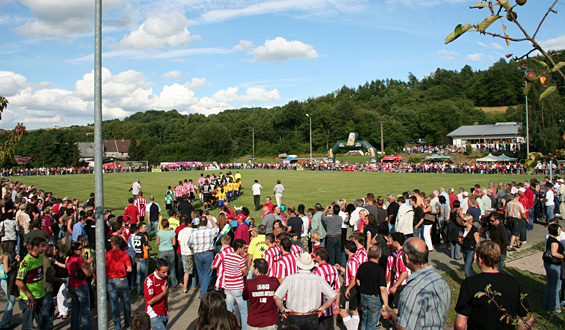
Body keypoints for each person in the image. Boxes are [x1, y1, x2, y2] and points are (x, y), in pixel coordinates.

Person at [455, 240, 535, 330]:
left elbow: (460, 324)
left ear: (480, 259)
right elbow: (529, 319)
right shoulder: (513, 282)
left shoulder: (470, 283)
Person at [381, 238, 450, 330]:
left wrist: (392, 315)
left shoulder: (413, 289)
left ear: (407, 257)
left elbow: (404, 328)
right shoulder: (441, 281)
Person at [274, 253, 337, 330]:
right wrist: (323, 308)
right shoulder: (318, 279)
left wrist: (283, 309)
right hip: (312, 315)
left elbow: (276, 296)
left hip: (294, 315)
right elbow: (333, 296)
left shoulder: (290, 279)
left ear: (298, 265)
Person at [16, 237, 48, 330]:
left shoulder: (41, 258)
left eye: (45, 246)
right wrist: (29, 296)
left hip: (40, 295)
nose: (44, 248)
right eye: (42, 246)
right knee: (28, 324)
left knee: (44, 321)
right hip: (29, 299)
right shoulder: (27, 261)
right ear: (35, 247)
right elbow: (18, 281)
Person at [219, 239, 249, 330]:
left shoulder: (227, 256)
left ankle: (228, 326)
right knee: (243, 311)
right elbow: (246, 273)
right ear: (239, 248)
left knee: (229, 309)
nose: (244, 250)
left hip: (228, 286)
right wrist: (245, 261)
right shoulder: (239, 259)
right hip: (238, 287)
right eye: (243, 248)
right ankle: (244, 328)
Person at [356, 245, 388, 330]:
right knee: (372, 323)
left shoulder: (362, 266)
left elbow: (358, 281)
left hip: (363, 296)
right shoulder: (379, 269)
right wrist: (386, 305)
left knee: (364, 320)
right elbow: (383, 289)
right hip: (374, 298)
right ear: (379, 256)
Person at [243, 258, 280, 330]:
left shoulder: (249, 283)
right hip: (270, 320)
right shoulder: (274, 282)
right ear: (268, 270)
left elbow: (245, 297)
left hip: (254, 321)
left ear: (256, 271)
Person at [188, 214, 219, 297]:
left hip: (197, 253)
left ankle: (203, 291)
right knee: (207, 273)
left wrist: (194, 248)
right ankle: (203, 292)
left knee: (201, 273)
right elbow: (217, 229)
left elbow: (189, 244)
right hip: (208, 253)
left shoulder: (194, 233)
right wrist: (211, 220)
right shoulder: (210, 231)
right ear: (206, 223)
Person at [106, 235, 132, 330]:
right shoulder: (124, 254)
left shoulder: (107, 255)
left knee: (114, 304)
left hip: (111, 281)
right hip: (122, 279)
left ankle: (117, 326)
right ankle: (128, 321)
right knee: (126, 301)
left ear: (112, 243)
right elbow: (129, 268)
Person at [66, 240, 92, 330]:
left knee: (75, 309)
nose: (82, 250)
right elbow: (87, 272)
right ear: (74, 250)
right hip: (80, 285)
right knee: (85, 309)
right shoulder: (79, 259)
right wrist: (88, 264)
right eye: (80, 249)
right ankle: (86, 328)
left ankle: (74, 327)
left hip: (71, 285)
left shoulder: (69, 259)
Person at [312, 247, 340, 330]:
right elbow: (337, 289)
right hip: (331, 306)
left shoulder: (317, 271)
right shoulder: (333, 269)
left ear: (318, 257)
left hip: (321, 307)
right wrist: (337, 304)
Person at [335, 240, 360, 330]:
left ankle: (351, 328)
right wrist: (341, 268)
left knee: (343, 311)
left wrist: (348, 289)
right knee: (353, 310)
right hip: (354, 288)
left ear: (348, 249)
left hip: (350, 287)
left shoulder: (352, 261)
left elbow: (354, 278)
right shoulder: (355, 259)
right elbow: (350, 273)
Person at [544, 223, 564, 313]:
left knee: (549, 284)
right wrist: (563, 256)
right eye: (559, 230)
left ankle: (547, 303)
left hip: (548, 263)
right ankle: (555, 307)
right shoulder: (554, 242)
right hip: (554, 264)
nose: (560, 231)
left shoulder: (549, 239)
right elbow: (554, 253)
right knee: (555, 286)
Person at [144, 258, 170, 330]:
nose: (166, 274)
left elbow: (166, 295)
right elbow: (150, 301)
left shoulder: (165, 278)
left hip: (164, 312)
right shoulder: (150, 280)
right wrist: (163, 293)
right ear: (157, 271)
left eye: (167, 272)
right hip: (154, 314)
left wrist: (166, 308)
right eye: (163, 272)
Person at [0, 241, 19, 329]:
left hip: (7, 281)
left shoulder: (8, 256)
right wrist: (14, 265)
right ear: (7, 247)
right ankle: (3, 323)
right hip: (6, 281)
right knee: (11, 302)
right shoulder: (6, 257)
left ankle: (8, 322)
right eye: (11, 245)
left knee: (11, 301)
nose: (12, 246)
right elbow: (7, 270)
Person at [156, 219, 178, 288]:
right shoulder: (172, 233)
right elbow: (174, 243)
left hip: (162, 250)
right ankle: (174, 282)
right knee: (172, 267)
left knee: (162, 267)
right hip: (170, 250)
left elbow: (157, 242)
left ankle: (164, 282)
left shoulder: (159, 233)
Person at [177, 218, 196, 293]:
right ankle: (192, 285)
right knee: (193, 270)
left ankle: (185, 287)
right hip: (192, 252)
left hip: (184, 252)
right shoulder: (194, 231)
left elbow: (179, 241)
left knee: (186, 270)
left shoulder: (181, 232)